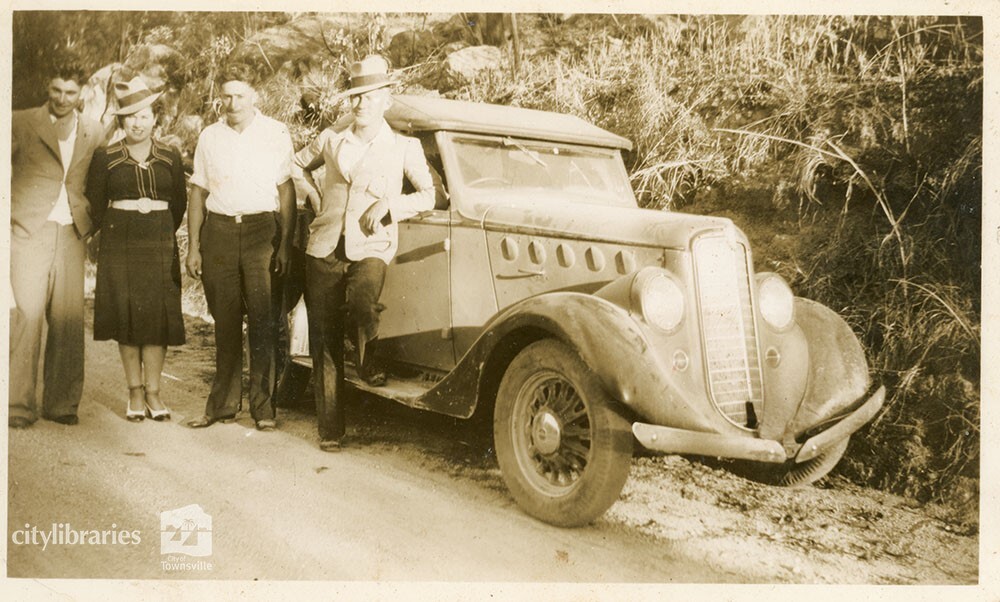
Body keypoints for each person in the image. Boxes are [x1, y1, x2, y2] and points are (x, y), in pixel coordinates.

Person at [295, 55, 435, 451]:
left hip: (371, 245)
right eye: (355, 97)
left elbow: (429, 194)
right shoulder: (330, 139)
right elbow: (295, 165)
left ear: (386, 99)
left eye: (369, 97)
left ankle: (368, 357)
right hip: (323, 246)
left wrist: (390, 205)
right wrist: (314, 196)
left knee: (362, 300)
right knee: (324, 339)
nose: (360, 105)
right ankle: (331, 430)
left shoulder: (404, 147)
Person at [184, 63, 296, 431]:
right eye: (227, 95)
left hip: (261, 231)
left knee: (263, 319)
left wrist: (284, 246)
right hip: (218, 231)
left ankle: (263, 408)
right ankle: (222, 405)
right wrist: (194, 248)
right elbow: (198, 191)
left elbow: (286, 190)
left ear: (255, 97)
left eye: (240, 96)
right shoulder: (209, 137)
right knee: (226, 320)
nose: (232, 103)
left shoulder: (276, 133)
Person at [9, 58, 106, 428]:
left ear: (81, 93)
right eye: (56, 90)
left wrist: (89, 222)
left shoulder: (95, 131)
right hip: (28, 229)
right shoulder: (20, 121)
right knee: (27, 315)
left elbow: (98, 181)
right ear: (47, 89)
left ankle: (62, 404)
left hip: (71, 233)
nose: (62, 99)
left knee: (67, 320)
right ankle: (17, 404)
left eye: (70, 92)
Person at [85, 77, 188, 422]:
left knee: (156, 318)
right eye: (130, 117)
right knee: (127, 316)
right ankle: (134, 392)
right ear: (121, 121)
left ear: (154, 118)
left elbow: (179, 205)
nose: (137, 123)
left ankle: (155, 394)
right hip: (119, 240)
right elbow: (97, 206)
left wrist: (158, 229)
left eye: (143, 116)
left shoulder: (170, 156)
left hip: (159, 239)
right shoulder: (106, 157)